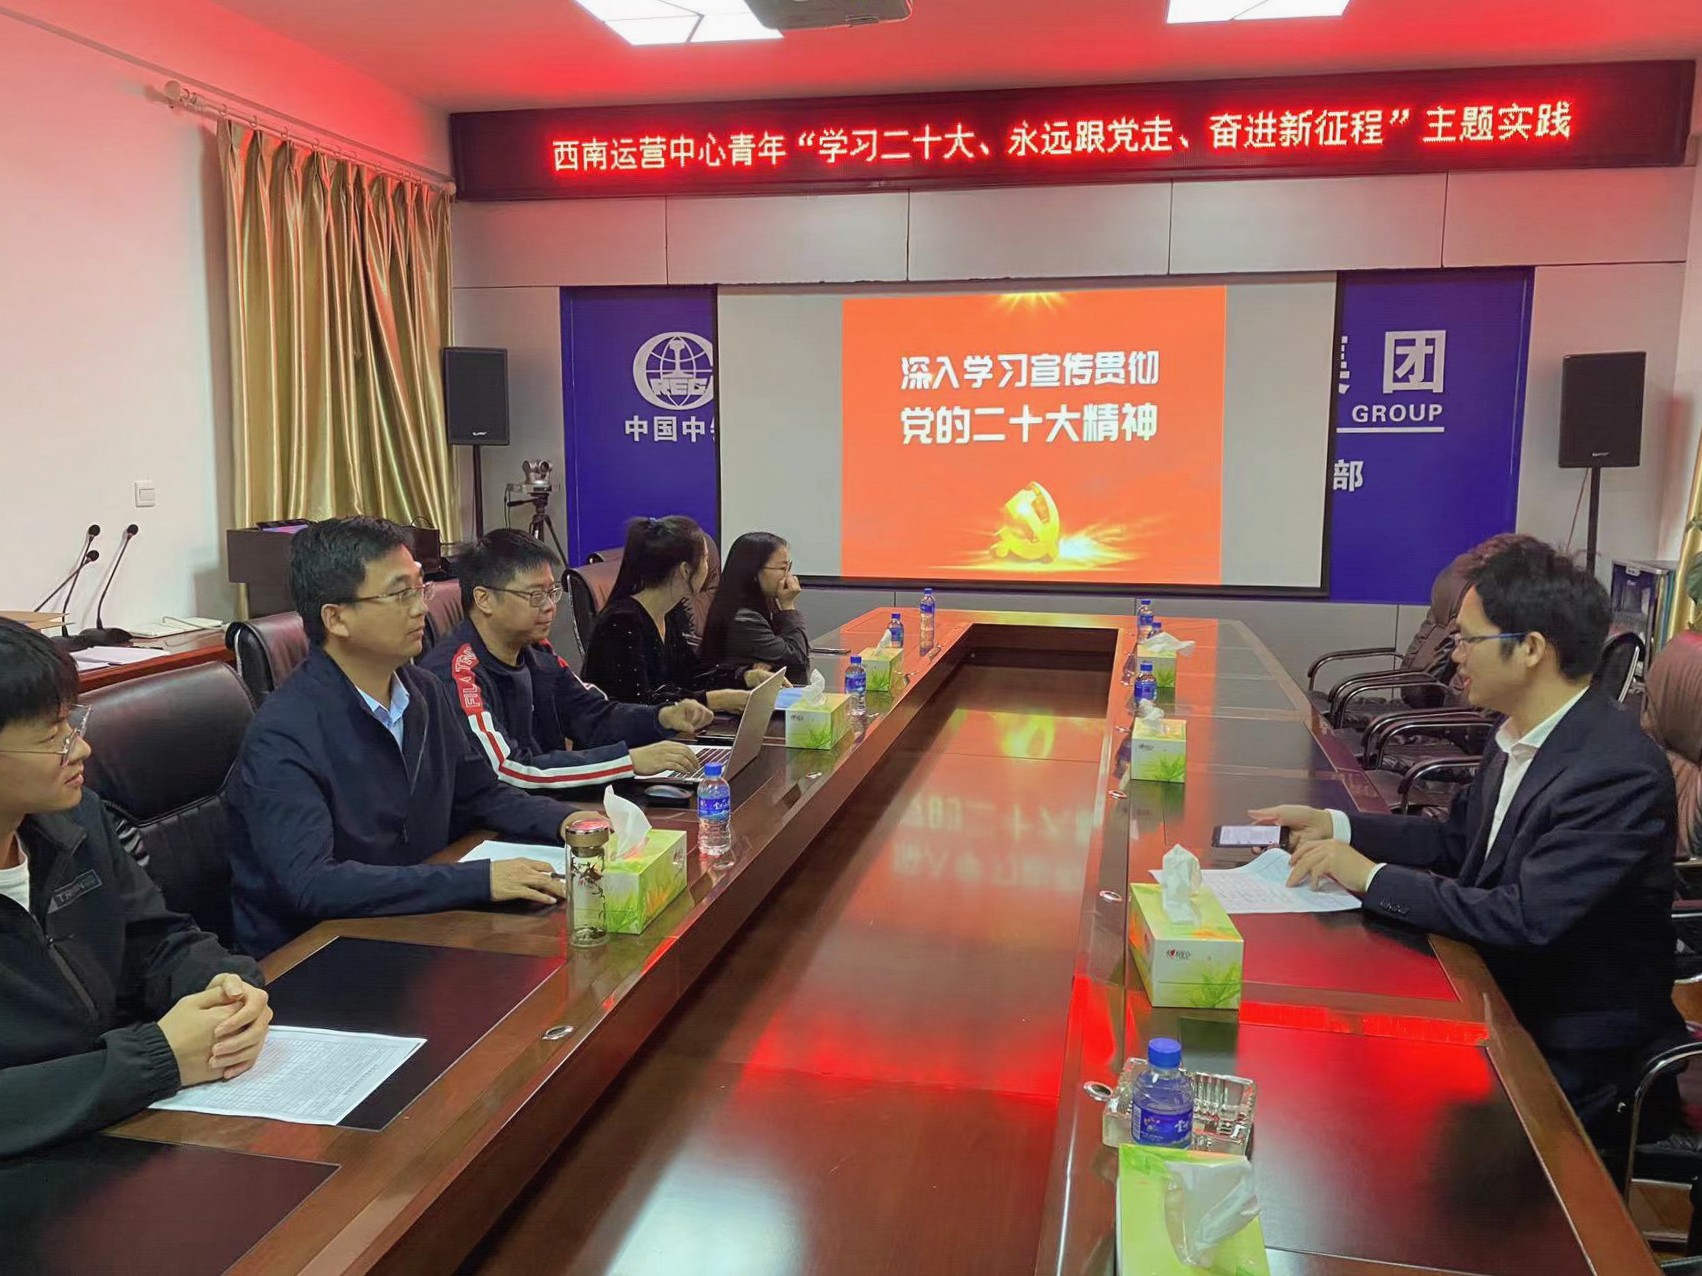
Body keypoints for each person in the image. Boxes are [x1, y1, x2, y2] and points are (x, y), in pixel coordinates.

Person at [1256, 540, 1685, 1137]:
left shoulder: (1614, 771)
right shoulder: (1521, 732)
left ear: (1530, 648)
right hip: (1493, 989)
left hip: (1567, 1044)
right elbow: (1457, 843)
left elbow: (1525, 918)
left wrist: (1368, 876)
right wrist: (1338, 825)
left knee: (1365, 1110)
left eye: (1468, 639)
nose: (1454, 655)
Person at [225, 517, 583, 957]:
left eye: (420, 588)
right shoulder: (284, 732)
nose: (420, 609)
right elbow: (313, 883)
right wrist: (480, 880)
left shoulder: (422, 691)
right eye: (400, 594)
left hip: (417, 923)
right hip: (317, 954)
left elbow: (480, 793)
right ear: (336, 618)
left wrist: (566, 823)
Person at [0, 619, 271, 1155]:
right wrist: (157, 1058)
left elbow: (155, 940)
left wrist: (224, 987)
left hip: (116, 1124)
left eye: (72, 722)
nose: (81, 749)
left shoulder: (75, 820)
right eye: (52, 736)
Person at [420, 529, 706, 792]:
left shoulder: (536, 651)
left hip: (548, 804)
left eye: (551, 592)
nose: (549, 607)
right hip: (495, 822)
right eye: (535, 595)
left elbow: (592, 715)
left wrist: (661, 717)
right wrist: (626, 761)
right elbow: (508, 769)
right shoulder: (457, 673)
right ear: (484, 599)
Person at [581, 516, 769, 711]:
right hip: (624, 730)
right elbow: (637, 703)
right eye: (705, 559)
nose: (709, 567)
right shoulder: (621, 622)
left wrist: (745, 676)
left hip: (663, 726)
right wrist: (713, 700)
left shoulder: (667, 612)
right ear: (685, 570)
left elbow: (690, 673)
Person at [699, 532, 810, 683]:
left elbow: (791, 652)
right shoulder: (743, 620)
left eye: (788, 567)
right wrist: (788, 607)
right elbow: (797, 658)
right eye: (783, 568)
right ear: (754, 572)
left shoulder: (762, 604)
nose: (788, 576)